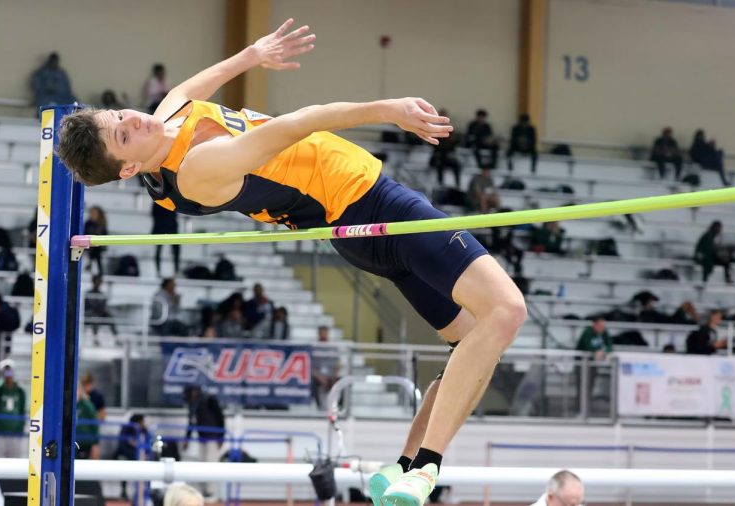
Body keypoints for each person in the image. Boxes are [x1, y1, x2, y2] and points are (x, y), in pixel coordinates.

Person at [56, 19, 527, 506]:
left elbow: (193, 87)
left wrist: (254, 54)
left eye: (120, 115)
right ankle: (428, 467)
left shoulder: (168, 115)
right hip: (369, 204)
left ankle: (404, 467)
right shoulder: (196, 169)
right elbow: (300, 122)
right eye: (124, 136)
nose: (134, 121)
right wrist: (389, 109)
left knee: (474, 341)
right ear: (129, 168)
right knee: (507, 311)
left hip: (353, 221)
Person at [183, 385, 225, 499]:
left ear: (196, 391)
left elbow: (220, 418)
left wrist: (221, 437)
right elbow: (191, 423)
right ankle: (203, 492)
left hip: (213, 437)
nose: (190, 395)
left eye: (192, 392)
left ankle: (212, 493)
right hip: (202, 437)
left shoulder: (209, 400)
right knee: (201, 464)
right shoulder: (192, 404)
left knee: (211, 464)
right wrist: (187, 439)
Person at [0, 359, 26, 458]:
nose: (8, 374)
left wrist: (20, 428)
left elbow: (22, 410)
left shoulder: (20, 390)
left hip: (15, 432)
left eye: (10, 371)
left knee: (15, 461)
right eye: (5, 371)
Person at [113, 413, 150, 499]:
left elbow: (147, 443)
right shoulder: (127, 428)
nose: (143, 423)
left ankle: (144, 492)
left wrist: (145, 454)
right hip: (127, 454)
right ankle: (124, 491)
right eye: (142, 421)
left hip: (140, 456)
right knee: (124, 467)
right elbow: (123, 444)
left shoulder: (144, 430)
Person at [428, 109, 462, 187]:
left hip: (447, 156)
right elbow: (433, 144)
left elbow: (455, 144)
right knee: (439, 163)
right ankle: (440, 184)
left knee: (457, 164)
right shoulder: (434, 128)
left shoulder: (450, 130)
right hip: (438, 156)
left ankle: (457, 184)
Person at [312, 325, 341, 409]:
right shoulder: (314, 348)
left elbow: (338, 365)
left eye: (325, 333)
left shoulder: (333, 348)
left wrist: (334, 376)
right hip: (318, 376)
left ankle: (339, 406)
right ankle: (319, 407)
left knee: (342, 382)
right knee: (313, 383)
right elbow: (311, 367)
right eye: (322, 333)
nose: (324, 335)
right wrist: (320, 377)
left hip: (331, 375)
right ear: (319, 334)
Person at [84, 274, 118, 341]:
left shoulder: (102, 294)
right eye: (97, 281)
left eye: (100, 281)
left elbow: (103, 305)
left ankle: (116, 338)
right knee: (95, 317)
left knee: (109, 317)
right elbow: (87, 307)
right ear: (93, 282)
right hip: (89, 314)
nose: (98, 283)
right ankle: (95, 339)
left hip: (99, 313)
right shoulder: (88, 293)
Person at [152, 203, 181, 277]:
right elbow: (154, 213)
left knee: (175, 249)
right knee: (159, 250)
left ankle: (176, 270)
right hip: (163, 226)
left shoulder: (166, 200)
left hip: (168, 226)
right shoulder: (160, 201)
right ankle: (158, 270)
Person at [76, 382, 100, 459]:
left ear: (80, 391)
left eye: (77, 390)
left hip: (85, 441)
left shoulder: (87, 406)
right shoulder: (68, 405)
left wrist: (95, 443)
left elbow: (95, 424)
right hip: (72, 440)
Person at [83, 206, 108, 275]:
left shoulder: (102, 225)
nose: (92, 215)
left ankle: (98, 275)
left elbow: (104, 240)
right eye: (91, 213)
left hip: (98, 251)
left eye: (94, 213)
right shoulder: (88, 223)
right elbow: (84, 234)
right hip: (87, 249)